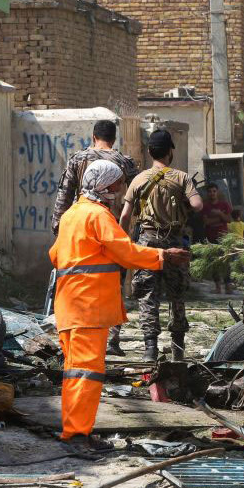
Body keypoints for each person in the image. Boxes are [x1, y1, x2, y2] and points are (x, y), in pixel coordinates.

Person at [50, 159, 189, 452]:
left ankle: (75, 431)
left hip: (70, 305)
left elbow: (55, 254)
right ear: (107, 186)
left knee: (76, 372)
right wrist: (163, 256)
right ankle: (76, 436)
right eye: (118, 183)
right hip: (88, 307)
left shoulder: (71, 214)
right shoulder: (98, 216)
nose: (121, 187)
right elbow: (125, 252)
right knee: (86, 373)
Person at [51, 119, 137, 356]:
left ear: (92, 136)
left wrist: (59, 229)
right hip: (111, 228)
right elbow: (135, 196)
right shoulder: (124, 162)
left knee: (76, 281)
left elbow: (64, 194)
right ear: (114, 138)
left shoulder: (78, 159)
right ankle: (112, 338)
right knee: (113, 285)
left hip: (79, 229)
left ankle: (77, 330)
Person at [119, 129, 203, 361]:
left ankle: (150, 349)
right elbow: (197, 205)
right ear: (170, 151)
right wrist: (183, 201)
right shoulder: (182, 177)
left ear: (149, 151)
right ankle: (178, 350)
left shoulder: (138, 179)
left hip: (146, 243)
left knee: (148, 295)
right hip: (175, 241)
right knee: (177, 296)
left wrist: (122, 242)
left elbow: (125, 216)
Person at [201, 183, 233, 293]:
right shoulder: (205, 206)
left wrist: (219, 213)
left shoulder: (224, 205)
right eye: (210, 191)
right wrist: (220, 218)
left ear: (217, 192)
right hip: (211, 237)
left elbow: (229, 219)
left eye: (214, 191)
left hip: (223, 237)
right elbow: (206, 222)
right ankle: (218, 287)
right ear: (207, 193)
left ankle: (228, 286)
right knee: (214, 262)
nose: (212, 193)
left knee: (226, 261)